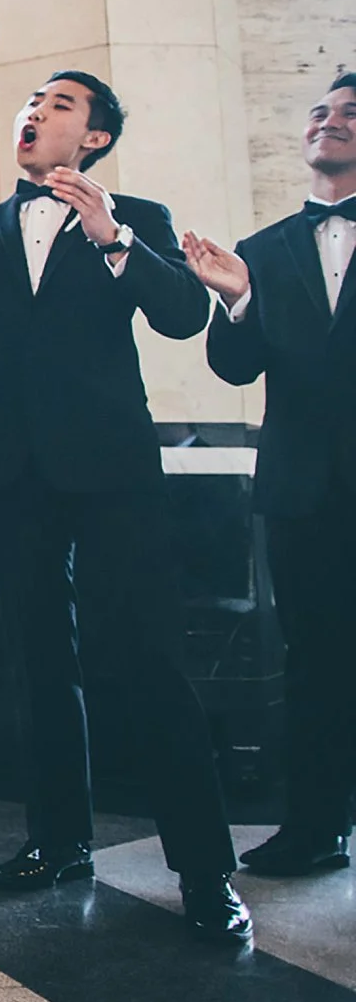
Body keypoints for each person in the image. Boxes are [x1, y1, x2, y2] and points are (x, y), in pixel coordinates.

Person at [0, 71, 250, 945]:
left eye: (59, 105)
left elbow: (181, 315)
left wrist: (113, 236)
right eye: (31, 103)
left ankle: (205, 870)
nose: (35, 112)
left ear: (96, 138)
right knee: (38, 662)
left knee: (151, 661)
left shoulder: (137, 218)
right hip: (5, 473)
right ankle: (58, 841)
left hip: (112, 470)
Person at [186, 71, 356, 877]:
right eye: (320, 111)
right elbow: (234, 365)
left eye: (351, 112)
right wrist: (238, 301)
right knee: (315, 660)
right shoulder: (261, 250)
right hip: (302, 490)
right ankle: (317, 827)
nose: (330, 120)